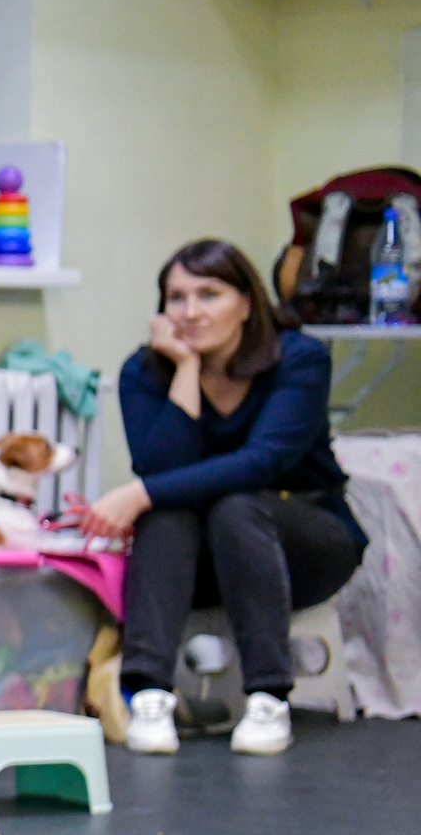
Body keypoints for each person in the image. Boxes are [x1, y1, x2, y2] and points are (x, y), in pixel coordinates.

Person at [79, 239, 366, 756]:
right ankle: (148, 694)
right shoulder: (145, 372)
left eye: (208, 295)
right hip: (199, 558)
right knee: (167, 513)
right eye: (176, 298)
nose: (190, 312)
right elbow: (162, 468)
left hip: (309, 537)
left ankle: (269, 698)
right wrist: (186, 371)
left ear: (248, 302)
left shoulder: (298, 359)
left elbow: (263, 462)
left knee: (235, 506)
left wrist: (139, 493)